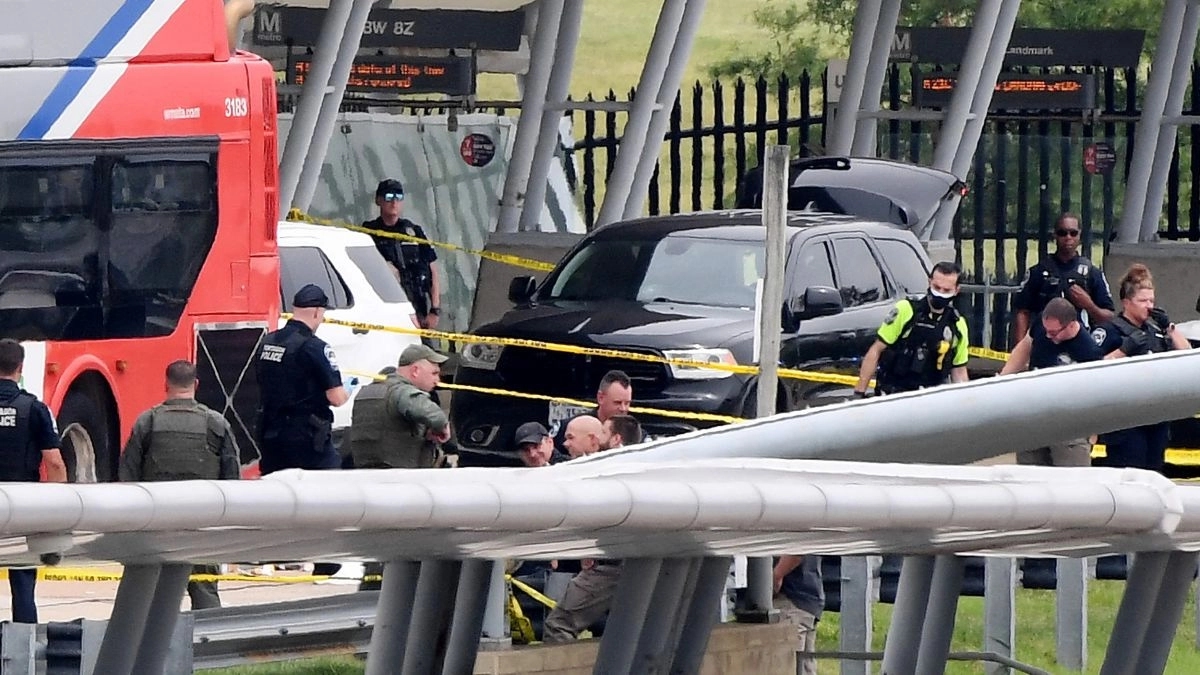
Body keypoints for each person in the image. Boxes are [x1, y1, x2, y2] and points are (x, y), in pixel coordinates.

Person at [119, 360, 240, 609]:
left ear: (166, 384)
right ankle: (208, 644)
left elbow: (127, 478)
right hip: (201, 526)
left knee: (148, 600)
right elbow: (233, 481)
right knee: (205, 594)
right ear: (195, 384)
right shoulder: (216, 423)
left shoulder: (147, 422)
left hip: (156, 527)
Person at [1091, 264, 1190, 472]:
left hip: (1155, 418)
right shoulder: (1109, 331)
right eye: (1142, 301)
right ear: (1127, 302)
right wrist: (1123, 350)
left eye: (1151, 301)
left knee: (1154, 473)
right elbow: (1092, 370)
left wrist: (1169, 327)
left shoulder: (1155, 331)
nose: (1149, 306)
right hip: (1125, 420)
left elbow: (1187, 355)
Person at [0, 339, 68, 623]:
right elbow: (53, 462)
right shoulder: (35, 409)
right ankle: (23, 648)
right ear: (20, 367)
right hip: (21, 504)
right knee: (23, 581)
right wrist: (52, 514)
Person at [255, 284, 349, 474]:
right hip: (307, 437)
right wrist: (348, 389)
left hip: (270, 432)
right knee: (332, 487)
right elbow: (337, 398)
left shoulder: (267, 341)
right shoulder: (314, 347)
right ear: (316, 312)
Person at [1000, 297, 1103, 466]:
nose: (1048, 335)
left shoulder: (1089, 351)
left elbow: (1097, 392)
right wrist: (1002, 379)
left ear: (1071, 325)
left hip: (1069, 422)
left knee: (1071, 480)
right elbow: (1025, 346)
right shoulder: (1044, 325)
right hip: (1034, 414)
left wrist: (1093, 430)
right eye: (1046, 330)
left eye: (1054, 333)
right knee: (1029, 475)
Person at [853, 261, 970, 397]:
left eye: (946, 290)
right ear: (929, 282)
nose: (940, 294)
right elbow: (876, 350)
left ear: (957, 290)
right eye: (936, 287)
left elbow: (959, 370)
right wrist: (859, 393)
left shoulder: (957, 324)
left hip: (932, 399)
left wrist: (964, 401)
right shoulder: (906, 310)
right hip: (894, 394)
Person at [1012, 213, 1114, 345]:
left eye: (1073, 233)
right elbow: (1022, 312)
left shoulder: (1092, 273)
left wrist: (1089, 305)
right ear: (1055, 235)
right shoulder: (1038, 272)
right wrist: (1021, 351)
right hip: (1044, 344)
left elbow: (1109, 318)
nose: (1068, 237)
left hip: (1080, 346)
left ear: (1079, 236)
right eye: (1062, 233)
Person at [349, 345, 451, 470]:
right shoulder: (402, 391)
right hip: (401, 476)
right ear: (415, 371)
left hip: (365, 473)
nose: (437, 380)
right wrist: (441, 429)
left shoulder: (368, 391)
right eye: (434, 373)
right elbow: (435, 416)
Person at [364, 178, 441, 332]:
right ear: (378, 200)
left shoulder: (413, 231)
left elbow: (432, 270)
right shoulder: (369, 232)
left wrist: (435, 309)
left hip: (417, 306)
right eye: (389, 197)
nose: (394, 202)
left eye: (398, 198)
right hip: (386, 308)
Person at [552, 370, 633, 450]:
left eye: (627, 403)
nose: (623, 409)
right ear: (600, 398)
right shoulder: (569, 427)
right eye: (617, 403)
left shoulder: (635, 433)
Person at [773, 555, 824, 675]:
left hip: (789, 598)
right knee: (803, 666)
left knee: (788, 665)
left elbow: (796, 552)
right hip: (804, 597)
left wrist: (776, 576)